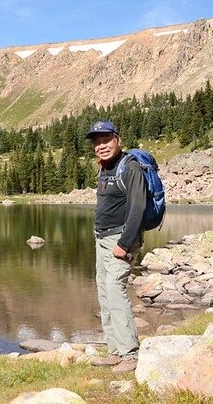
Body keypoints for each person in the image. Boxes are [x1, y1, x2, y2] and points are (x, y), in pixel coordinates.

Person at [86, 120, 145, 374]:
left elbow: (138, 208)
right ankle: (114, 351)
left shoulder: (129, 167)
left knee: (115, 290)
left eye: (106, 140)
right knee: (104, 293)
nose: (102, 146)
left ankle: (130, 354)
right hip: (103, 239)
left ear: (117, 139)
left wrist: (124, 244)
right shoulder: (105, 169)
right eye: (97, 142)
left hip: (121, 240)